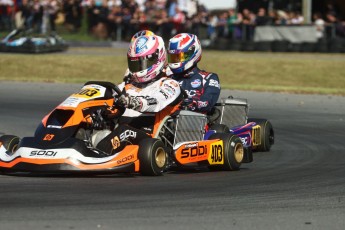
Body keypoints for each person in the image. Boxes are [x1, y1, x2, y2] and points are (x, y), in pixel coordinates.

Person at [96, 34, 183, 155]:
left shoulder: (169, 84)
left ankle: (98, 155)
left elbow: (157, 101)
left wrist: (134, 102)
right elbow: (108, 98)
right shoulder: (126, 86)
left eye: (142, 63)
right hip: (121, 134)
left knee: (124, 131)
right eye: (134, 64)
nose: (138, 69)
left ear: (157, 58)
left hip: (148, 139)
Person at [166, 33, 220, 115]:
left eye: (180, 57)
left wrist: (192, 103)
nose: (176, 60)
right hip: (165, 120)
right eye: (173, 57)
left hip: (194, 122)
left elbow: (207, 102)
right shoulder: (168, 78)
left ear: (193, 53)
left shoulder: (208, 78)